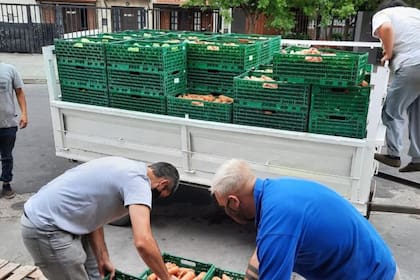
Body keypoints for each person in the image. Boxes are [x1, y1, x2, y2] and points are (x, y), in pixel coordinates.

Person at [211, 159, 399, 280]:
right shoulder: (276, 192)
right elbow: (264, 253)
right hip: (372, 263)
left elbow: (275, 242)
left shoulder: (278, 223)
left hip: (372, 275)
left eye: (224, 207)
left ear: (234, 202)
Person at [21, 156, 180, 280]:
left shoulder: (129, 168)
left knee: (97, 274)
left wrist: (102, 257)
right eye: (161, 195)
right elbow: (143, 241)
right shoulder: (139, 183)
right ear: (162, 184)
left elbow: (95, 215)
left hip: (66, 221)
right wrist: (166, 277)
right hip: (47, 227)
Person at [371, 0, 420, 172]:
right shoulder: (415, 14)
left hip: (413, 65)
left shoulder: (382, 15)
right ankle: (418, 157)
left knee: (391, 110)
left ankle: (393, 155)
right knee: (416, 111)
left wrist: (389, 53)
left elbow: (386, 29)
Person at [0, 62, 28, 198]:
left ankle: (6, 184)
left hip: (8, 123)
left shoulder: (9, 70)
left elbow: (19, 92)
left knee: (6, 156)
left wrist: (24, 114)